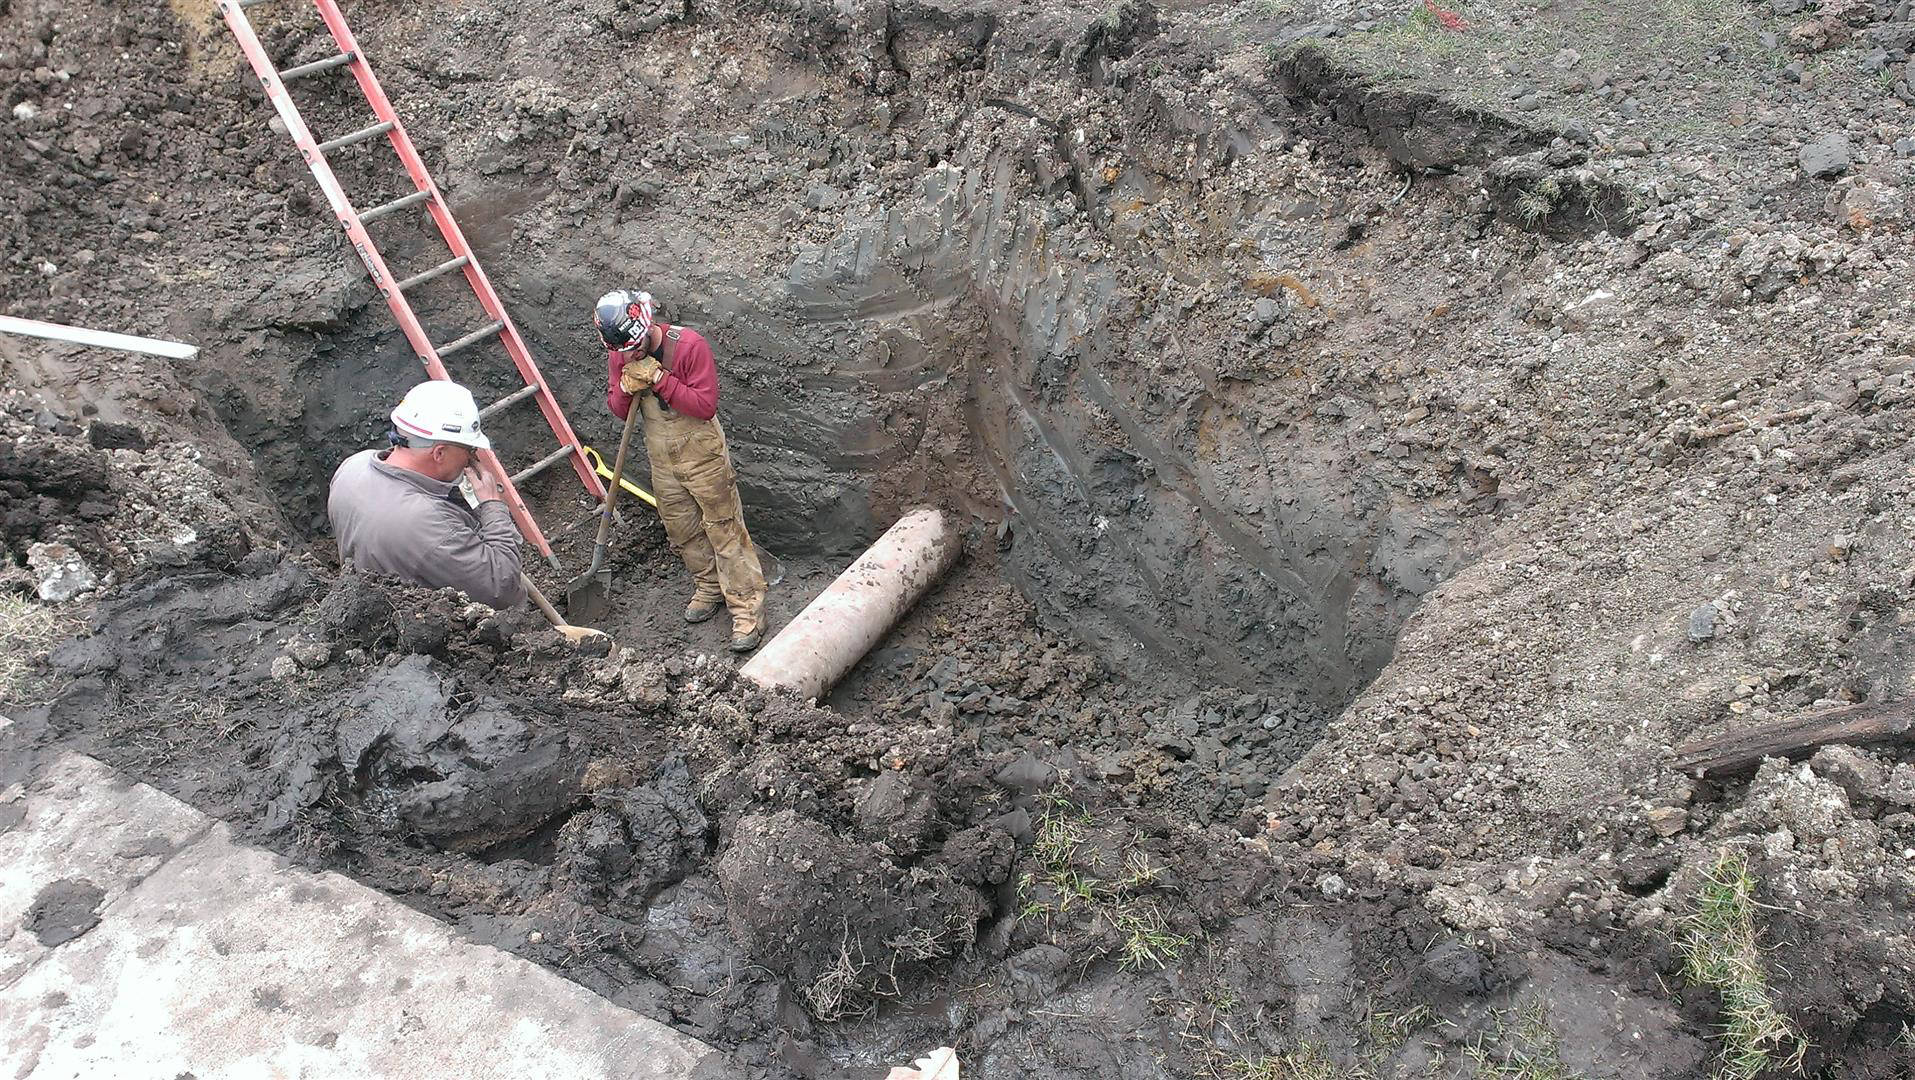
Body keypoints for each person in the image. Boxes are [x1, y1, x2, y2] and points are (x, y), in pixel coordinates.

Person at [597, 288, 767, 652]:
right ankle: (708, 587)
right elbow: (617, 407)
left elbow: (705, 406)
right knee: (682, 530)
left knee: (724, 529)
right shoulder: (620, 353)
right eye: (623, 352)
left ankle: (746, 609)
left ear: (647, 326)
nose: (630, 355)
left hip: (702, 455)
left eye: (636, 347)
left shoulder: (689, 346)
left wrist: (660, 380)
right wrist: (625, 388)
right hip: (663, 459)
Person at [327, 380, 526, 609]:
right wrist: (492, 506)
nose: (471, 459)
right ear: (439, 453)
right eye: (469, 450)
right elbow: (503, 590)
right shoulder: (430, 524)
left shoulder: (353, 466)